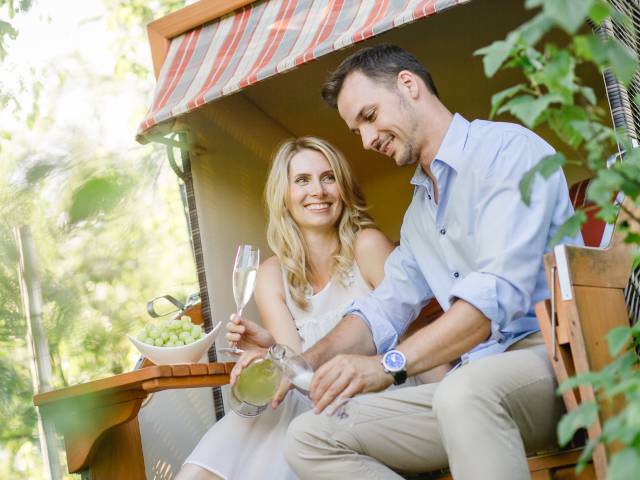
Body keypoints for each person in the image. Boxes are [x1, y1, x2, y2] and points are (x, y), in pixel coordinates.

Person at [282, 44, 582, 480]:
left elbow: (490, 303)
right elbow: (382, 309)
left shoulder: (505, 152)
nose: (366, 141)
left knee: (462, 392)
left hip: (551, 361)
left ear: (409, 85)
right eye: (356, 130)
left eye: (369, 117)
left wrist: (388, 366)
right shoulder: (420, 215)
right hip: (470, 385)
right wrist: (301, 365)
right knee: (309, 436)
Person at [176, 136, 435, 480]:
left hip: (380, 397)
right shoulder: (271, 275)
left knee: (286, 421)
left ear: (342, 187)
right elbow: (297, 375)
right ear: (283, 195)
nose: (319, 191)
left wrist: (452, 406)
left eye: (328, 178)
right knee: (258, 418)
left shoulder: (368, 246)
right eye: (302, 180)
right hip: (316, 401)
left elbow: (420, 337)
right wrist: (271, 350)